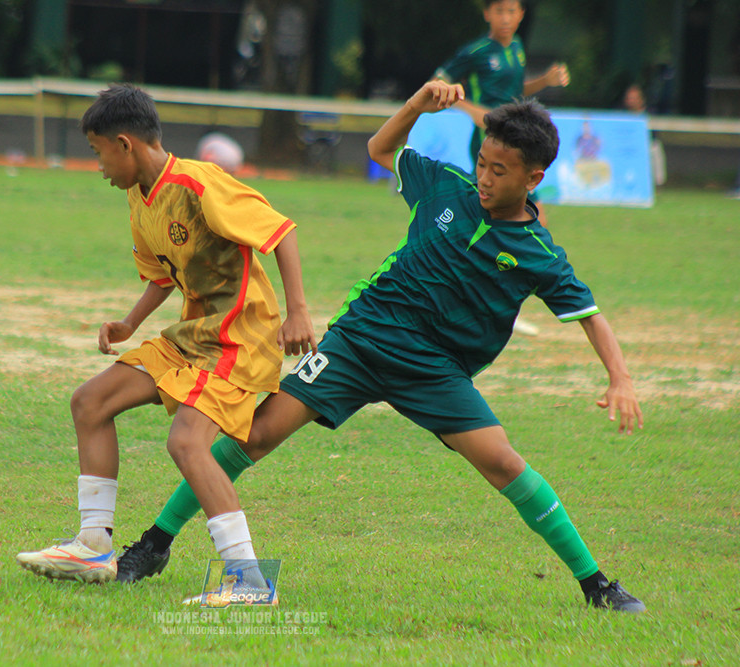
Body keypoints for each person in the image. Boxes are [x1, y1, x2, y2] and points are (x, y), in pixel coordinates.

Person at [116, 80, 646, 614]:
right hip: (361, 339)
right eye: (482, 163)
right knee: (254, 435)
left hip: (434, 370)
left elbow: (590, 316)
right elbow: (380, 150)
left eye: (500, 171)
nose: (484, 177)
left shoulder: (537, 253)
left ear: (534, 178)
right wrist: (416, 104)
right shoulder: (445, 187)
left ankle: (596, 584)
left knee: (504, 464)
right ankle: (154, 544)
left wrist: (619, 377)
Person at [15, 84, 316, 593]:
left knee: (186, 443)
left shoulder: (200, 185)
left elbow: (280, 231)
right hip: (193, 334)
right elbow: (161, 275)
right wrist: (130, 325)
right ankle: (92, 545)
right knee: (90, 402)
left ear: (125, 144)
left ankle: (248, 580)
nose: (100, 167)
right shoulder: (139, 197)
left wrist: (299, 312)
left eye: (99, 152)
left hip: (240, 338)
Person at [432, 0, 569, 230]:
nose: (505, 18)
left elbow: (516, 90)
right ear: (487, 14)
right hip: (489, 140)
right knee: (503, 210)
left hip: (516, 138)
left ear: (521, 15)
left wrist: (545, 80)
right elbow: (436, 83)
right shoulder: (476, 51)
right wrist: (472, 110)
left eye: (511, 11)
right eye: (499, 11)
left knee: (523, 213)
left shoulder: (516, 47)